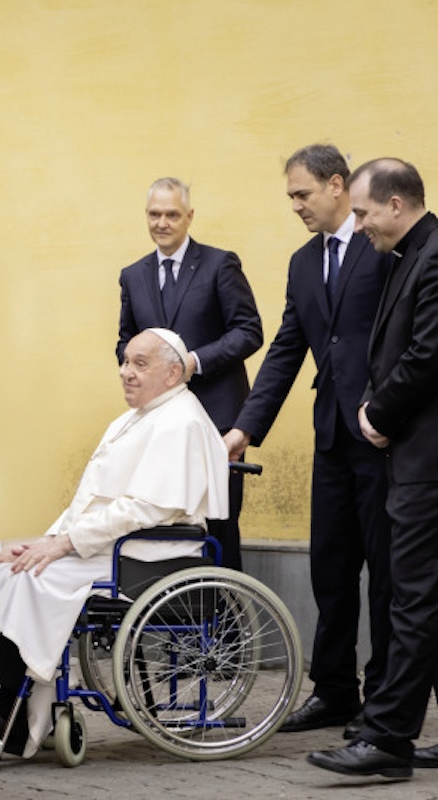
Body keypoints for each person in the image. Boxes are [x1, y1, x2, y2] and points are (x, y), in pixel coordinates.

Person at [0, 328, 228, 757]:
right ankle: (24, 710)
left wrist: (64, 544)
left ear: (173, 373)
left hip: (147, 554)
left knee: (32, 576)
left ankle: (5, 716)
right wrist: (51, 540)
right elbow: (90, 499)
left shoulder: (180, 421)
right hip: (118, 545)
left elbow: (142, 510)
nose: (125, 372)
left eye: (139, 364)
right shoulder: (140, 415)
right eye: (125, 362)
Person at [224, 145, 393, 736]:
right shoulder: (302, 262)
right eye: (291, 197)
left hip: (382, 437)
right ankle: (334, 691)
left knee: (388, 572)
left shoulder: (384, 249)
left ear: (337, 185)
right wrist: (245, 428)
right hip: (331, 440)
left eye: (302, 194)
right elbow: (287, 349)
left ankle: (386, 698)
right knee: (331, 567)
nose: (295, 205)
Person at [309, 158, 438, 780]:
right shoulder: (408, 254)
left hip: (424, 458)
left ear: (394, 203)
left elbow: (428, 354)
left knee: (411, 597)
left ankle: (387, 740)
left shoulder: (431, 255)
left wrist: (377, 412)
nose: (357, 227)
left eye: (362, 213)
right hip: (415, 451)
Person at [117, 177, 262, 571]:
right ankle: (177, 620)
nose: (162, 223)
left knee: (218, 527)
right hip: (158, 425)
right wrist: (135, 369)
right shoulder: (133, 275)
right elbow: (126, 343)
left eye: (171, 214)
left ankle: (228, 629)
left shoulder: (219, 264)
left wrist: (193, 361)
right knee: (167, 524)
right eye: (154, 214)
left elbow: (249, 331)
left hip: (216, 422)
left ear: (189, 216)